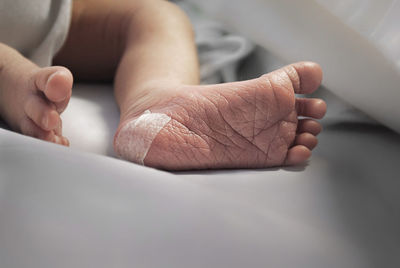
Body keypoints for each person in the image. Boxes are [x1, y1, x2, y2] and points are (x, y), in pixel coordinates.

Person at [0, 0, 326, 170]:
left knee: (154, 13)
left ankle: (154, 102)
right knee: (152, 16)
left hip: (48, 14)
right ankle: (9, 76)